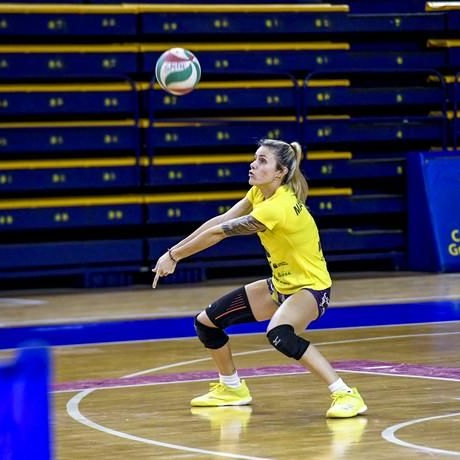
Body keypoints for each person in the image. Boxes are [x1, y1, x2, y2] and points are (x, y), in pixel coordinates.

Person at [152, 139, 367, 418]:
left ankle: (346, 394)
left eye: (262, 160)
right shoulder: (259, 193)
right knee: (207, 324)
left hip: (311, 289)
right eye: (255, 158)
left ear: (280, 172)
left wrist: (175, 256)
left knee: (279, 333)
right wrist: (172, 252)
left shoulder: (278, 207)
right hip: (280, 286)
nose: (253, 164)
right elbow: (220, 221)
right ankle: (232, 388)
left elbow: (219, 234)